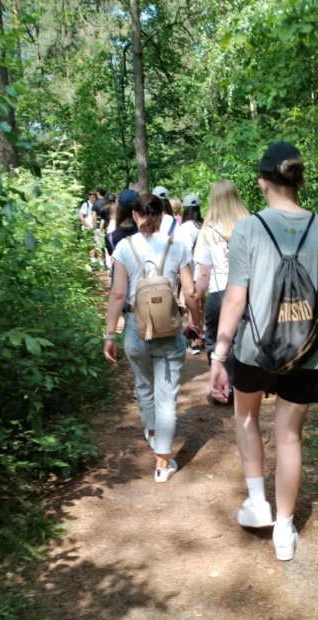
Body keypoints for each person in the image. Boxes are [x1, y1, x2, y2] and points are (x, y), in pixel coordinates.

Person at [209, 141, 318, 561]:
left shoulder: (248, 229)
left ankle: (257, 503)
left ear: (262, 182)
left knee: (246, 416)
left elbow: (235, 297)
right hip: (306, 350)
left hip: (254, 347)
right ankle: (284, 529)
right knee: (289, 436)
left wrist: (218, 355)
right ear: (300, 182)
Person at [103, 193, 201, 482]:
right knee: (166, 398)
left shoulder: (124, 247)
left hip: (136, 328)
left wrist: (109, 335)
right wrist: (195, 322)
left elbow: (117, 294)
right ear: (161, 216)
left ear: (135, 216)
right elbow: (190, 292)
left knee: (144, 387)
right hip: (169, 328)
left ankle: (152, 433)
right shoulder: (177, 245)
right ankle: (162, 463)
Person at [195, 180, 248, 391]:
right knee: (239, 341)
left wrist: (197, 297)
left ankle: (220, 381)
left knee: (213, 339)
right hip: (245, 291)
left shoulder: (207, 230)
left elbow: (204, 272)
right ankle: (237, 384)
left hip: (218, 293)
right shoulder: (249, 225)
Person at [175, 194, 204, 354]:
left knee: (191, 305)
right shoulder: (203, 225)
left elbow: (183, 251)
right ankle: (199, 335)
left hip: (190, 272)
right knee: (200, 305)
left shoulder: (184, 228)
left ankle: (194, 341)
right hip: (205, 273)